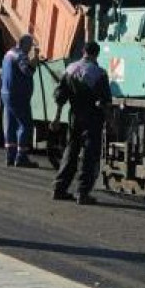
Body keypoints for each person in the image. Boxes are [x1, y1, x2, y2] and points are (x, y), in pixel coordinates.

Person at [51, 41, 112, 205]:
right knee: (89, 156)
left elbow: (59, 96)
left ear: (83, 51)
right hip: (92, 118)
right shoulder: (99, 73)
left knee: (70, 152)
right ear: (96, 54)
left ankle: (59, 188)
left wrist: (57, 117)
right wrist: (109, 121)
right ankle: (82, 193)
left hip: (74, 116)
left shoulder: (70, 69)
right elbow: (106, 101)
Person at [0, 34, 40, 168]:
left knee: (11, 124)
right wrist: (35, 59)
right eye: (29, 45)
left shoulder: (8, 54)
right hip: (18, 95)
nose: (30, 48)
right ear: (23, 44)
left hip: (6, 93)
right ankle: (21, 157)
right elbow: (27, 71)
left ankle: (10, 156)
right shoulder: (21, 56)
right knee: (25, 124)